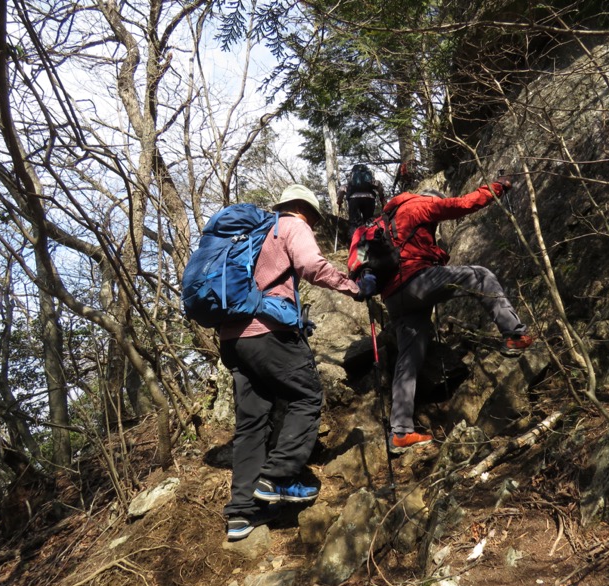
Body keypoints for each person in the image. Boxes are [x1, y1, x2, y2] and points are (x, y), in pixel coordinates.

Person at [219, 184, 376, 541]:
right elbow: (310, 265)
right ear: (306, 211)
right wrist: (355, 288)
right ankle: (277, 477)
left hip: (233, 339)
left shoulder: (249, 234)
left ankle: (242, 514)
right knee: (306, 396)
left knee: (252, 422)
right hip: (268, 333)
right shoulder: (291, 224)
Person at [377, 178, 533, 454]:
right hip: (416, 282)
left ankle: (401, 431)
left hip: (393, 298)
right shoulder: (421, 204)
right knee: (480, 276)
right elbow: (462, 205)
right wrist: (495, 189)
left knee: (408, 359)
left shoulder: (385, 220)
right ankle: (515, 335)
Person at [337, 164, 386, 244]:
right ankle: (370, 241)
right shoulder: (369, 180)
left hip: (354, 199)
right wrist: (382, 200)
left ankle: (354, 243)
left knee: (354, 223)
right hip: (369, 199)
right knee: (369, 220)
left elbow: (341, 190)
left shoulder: (351, 181)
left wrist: (339, 202)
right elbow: (379, 186)